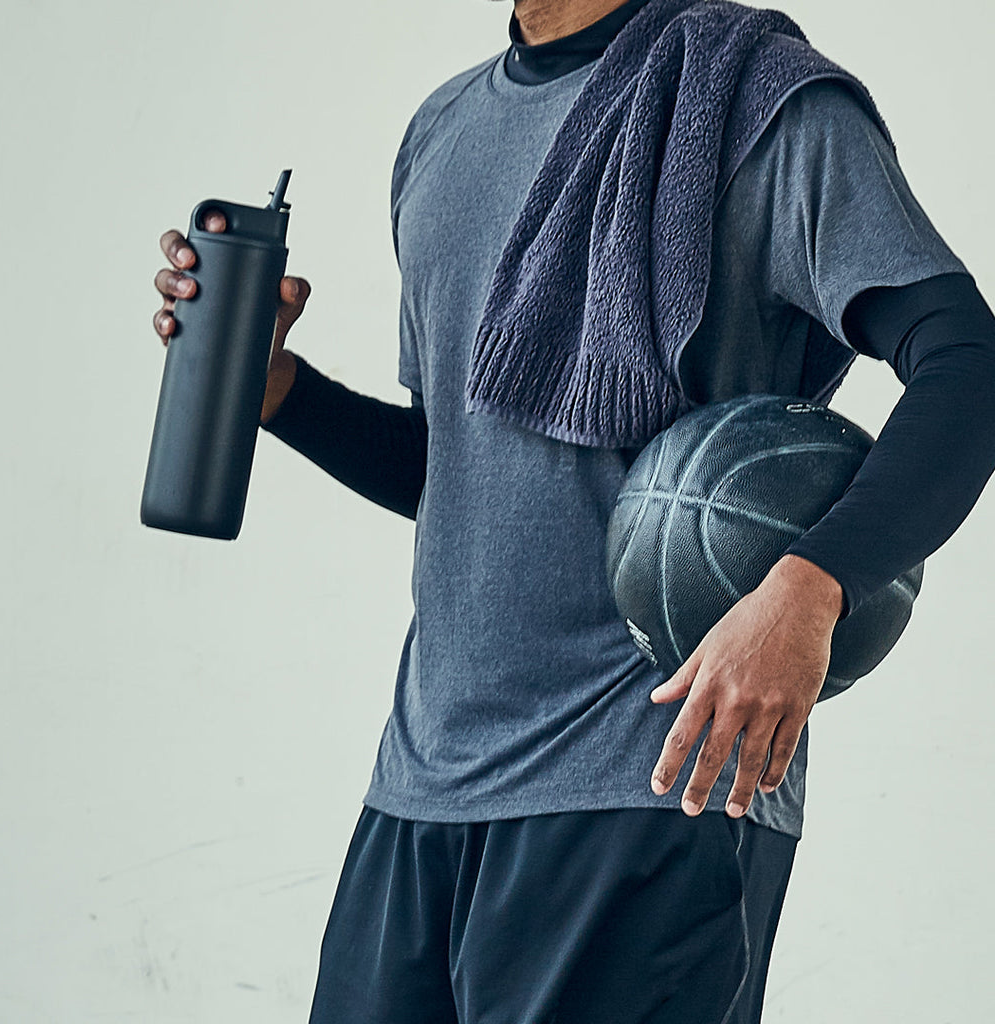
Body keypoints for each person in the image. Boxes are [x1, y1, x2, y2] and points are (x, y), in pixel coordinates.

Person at [151, 1, 995, 1020]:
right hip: (426, 777)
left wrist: (813, 589)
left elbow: (967, 366)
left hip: (650, 779)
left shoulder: (760, 103)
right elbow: (463, 477)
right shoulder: (441, 130)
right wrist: (283, 393)